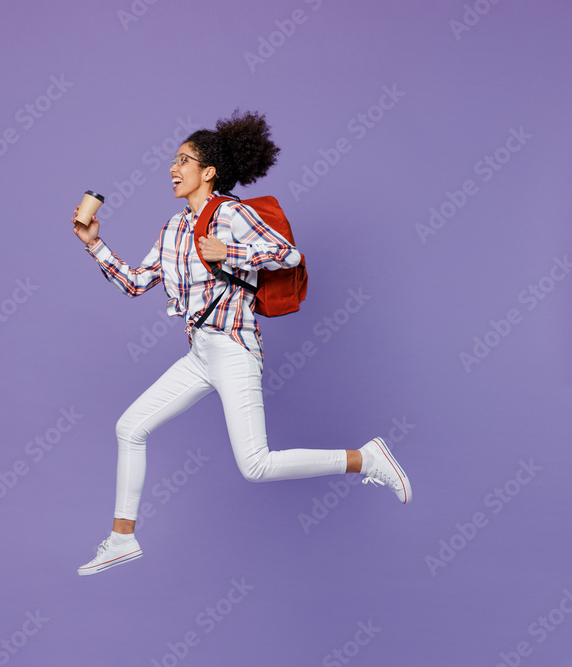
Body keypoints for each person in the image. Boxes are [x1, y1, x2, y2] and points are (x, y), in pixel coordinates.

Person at [71, 109, 411, 576]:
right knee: (130, 428)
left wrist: (228, 251)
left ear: (208, 171)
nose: (173, 168)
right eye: (173, 160)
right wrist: (94, 243)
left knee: (255, 465)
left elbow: (287, 254)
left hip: (233, 350)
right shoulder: (172, 229)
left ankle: (365, 458)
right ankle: (122, 537)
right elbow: (134, 283)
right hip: (199, 354)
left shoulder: (230, 214)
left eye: (184, 160)